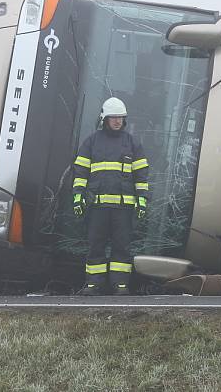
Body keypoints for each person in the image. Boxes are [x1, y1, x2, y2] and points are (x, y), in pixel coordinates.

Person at [72, 97, 149, 296]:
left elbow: (141, 175)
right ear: (104, 119)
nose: (117, 121)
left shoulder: (132, 143)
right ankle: (94, 284)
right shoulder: (92, 142)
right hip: (97, 207)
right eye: (113, 117)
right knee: (95, 245)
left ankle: (120, 285)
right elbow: (80, 172)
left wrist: (141, 200)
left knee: (122, 247)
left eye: (121, 118)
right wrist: (78, 196)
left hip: (123, 209)